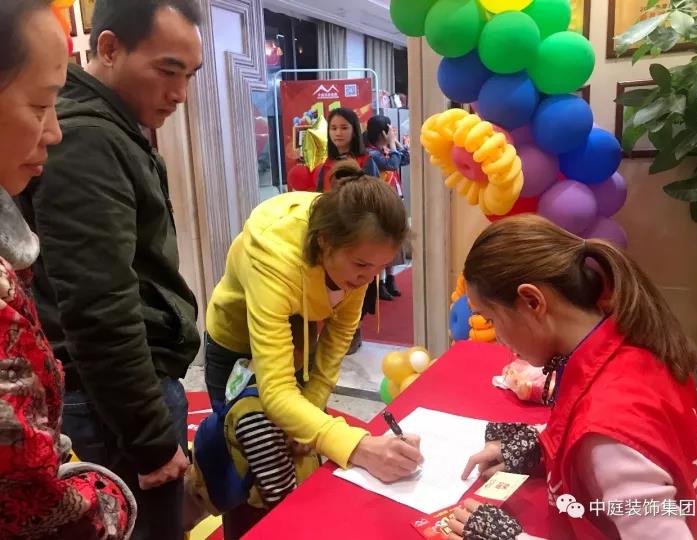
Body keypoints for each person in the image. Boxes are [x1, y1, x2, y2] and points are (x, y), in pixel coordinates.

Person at [17, 1, 204, 538]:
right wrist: (150, 437)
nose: (179, 93)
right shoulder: (89, 140)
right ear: (109, 48)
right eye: (167, 70)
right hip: (110, 405)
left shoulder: (110, 128)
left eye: (189, 76)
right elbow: (99, 306)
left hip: (116, 394)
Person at [446, 215, 697, 540]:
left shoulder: (607, 432)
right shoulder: (635, 341)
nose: (498, 338)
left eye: (491, 319)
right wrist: (540, 449)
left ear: (533, 301)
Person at [192, 161, 422, 538]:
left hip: (298, 338)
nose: (367, 279)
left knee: (299, 454)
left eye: (378, 268)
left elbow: (335, 344)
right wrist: (358, 446)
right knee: (246, 463)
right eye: (361, 265)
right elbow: (276, 391)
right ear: (324, 241)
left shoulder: (356, 255)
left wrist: (310, 413)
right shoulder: (274, 254)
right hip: (235, 346)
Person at [0, 1, 135, 537]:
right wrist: (111, 499)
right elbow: (30, 497)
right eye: (39, 105)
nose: (53, 131)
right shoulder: (90, 146)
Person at [365, 114, 410, 300]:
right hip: (381, 203)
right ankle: (381, 282)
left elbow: (406, 159)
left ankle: (391, 279)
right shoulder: (371, 153)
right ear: (382, 133)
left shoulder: (385, 149)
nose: (392, 132)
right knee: (382, 243)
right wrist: (391, 144)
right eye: (390, 130)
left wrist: (396, 143)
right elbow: (392, 164)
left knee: (394, 242)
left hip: (394, 199)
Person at [314, 107, 379, 193]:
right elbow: (319, 194)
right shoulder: (328, 162)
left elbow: (374, 195)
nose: (338, 133)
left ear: (354, 131)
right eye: (333, 128)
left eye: (344, 128)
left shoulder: (365, 161)